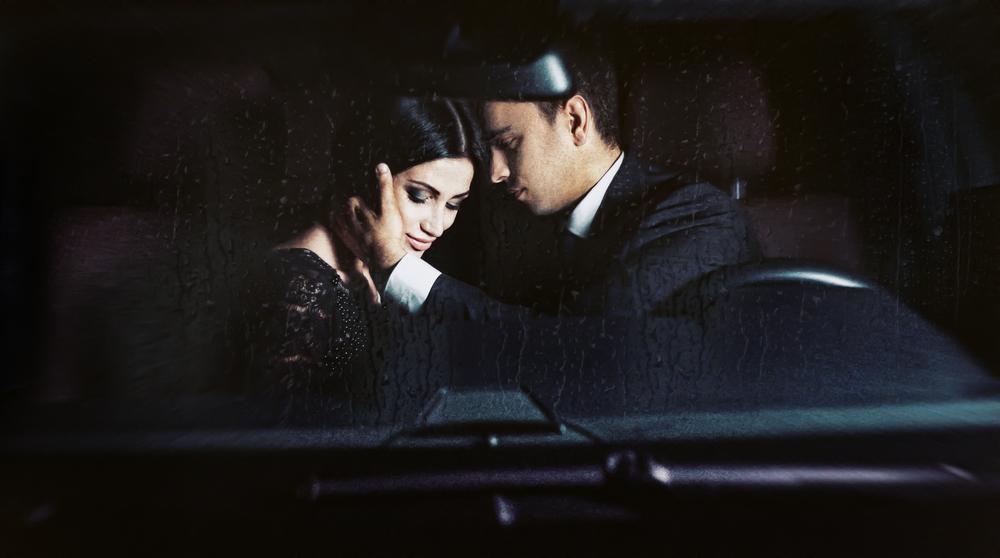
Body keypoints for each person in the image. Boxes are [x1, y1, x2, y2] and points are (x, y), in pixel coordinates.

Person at [350, 51, 759, 320]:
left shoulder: (700, 218)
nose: (495, 173)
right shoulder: (522, 222)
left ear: (576, 121)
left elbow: (575, 343)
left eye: (508, 143)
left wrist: (397, 268)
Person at [241, 96, 483, 425]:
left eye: (453, 204)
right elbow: (277, 436)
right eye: (419, 196)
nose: (436, 226)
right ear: (365, 177)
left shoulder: (389, 268)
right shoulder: (299, 284)